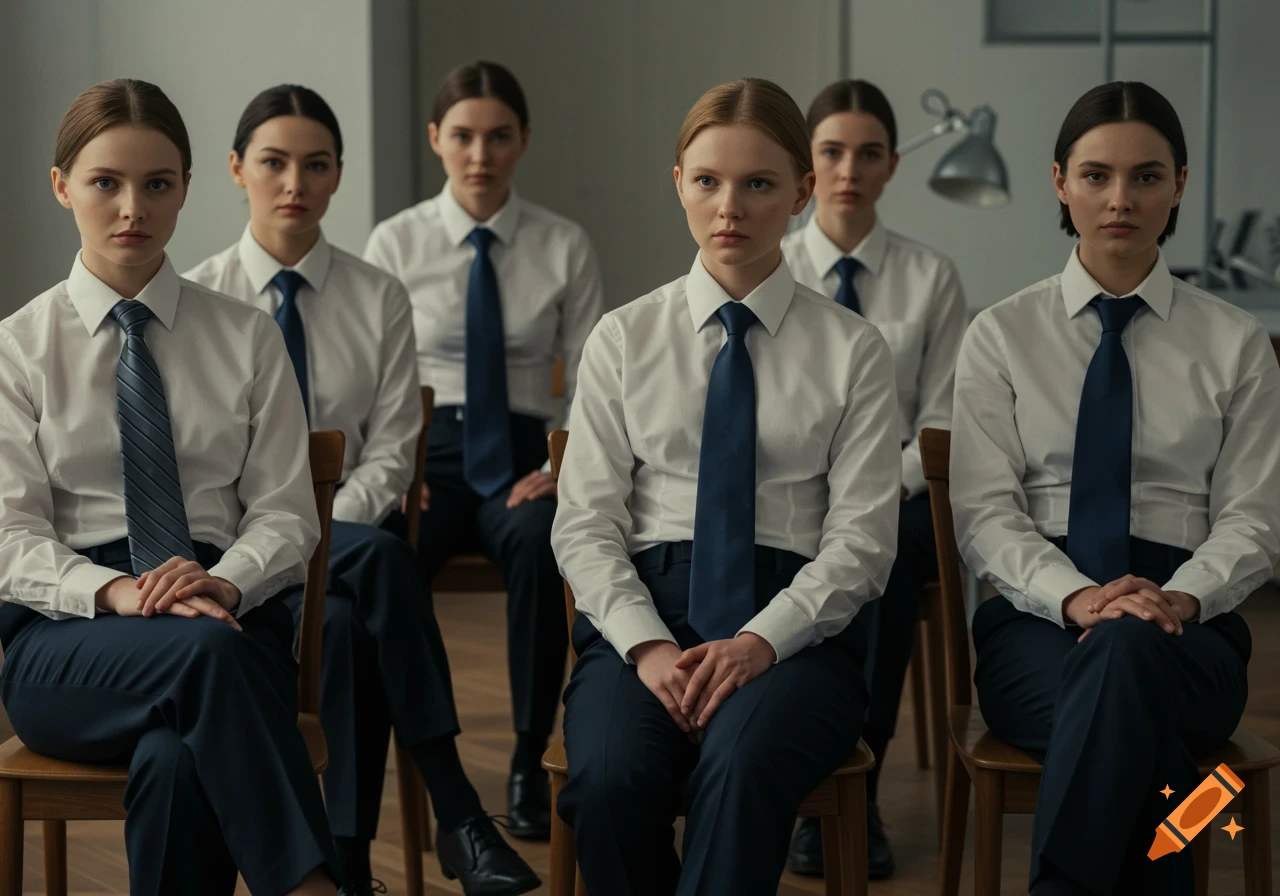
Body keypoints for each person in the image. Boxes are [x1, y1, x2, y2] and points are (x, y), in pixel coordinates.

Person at [184, 84, 540, 896]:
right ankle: (459, 817)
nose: (294, 184)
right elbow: (199, 471)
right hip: (238, 558)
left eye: (315, 165)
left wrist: (316, 535)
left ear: (339, 175)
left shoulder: (378, 295)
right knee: (380, 571)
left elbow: (392, 451)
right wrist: (291, 542)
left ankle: (346, 867)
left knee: (348, 621)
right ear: (238, 170)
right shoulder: (199, 302)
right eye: (273, 163)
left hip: (341, 546)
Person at [551, 77, 902, 896]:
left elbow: (862, 543)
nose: (729, 208)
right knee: (604, 782)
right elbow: (585, 524)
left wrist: (761, 642)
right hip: (646, 612)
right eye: (707, 181)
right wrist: (645, 644)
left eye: (759, 184)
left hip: (794, 628)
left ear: (802, 192)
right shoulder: (624, 338)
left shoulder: (853, 350)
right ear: (678, 182)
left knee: (740, 768)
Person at [0, 78, 339, 896]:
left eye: (157, 184)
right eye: (104, 183)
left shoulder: (249, 338)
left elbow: (288, 515)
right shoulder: (16, 349)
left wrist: (223, 579)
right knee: (206, 658)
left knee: (178, 757)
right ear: (61, 187)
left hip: (223, 602)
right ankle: (312, 885)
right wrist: (120, 593)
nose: (132, 208)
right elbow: (9, 543)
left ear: (187, 186)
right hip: (68, 639)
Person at [950, 80, 1280, 896]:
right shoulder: (1000, 336)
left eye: (1146, 176)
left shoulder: (1237, 345)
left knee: (1127, 662)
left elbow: (1255, 519)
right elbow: (985, 516)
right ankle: (1197, 816)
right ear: (1060, 181)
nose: (1120, 198)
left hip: (1189, 630)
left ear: (1180, 185)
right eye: (1096, 175)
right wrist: (1079, 599)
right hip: (1036, 623)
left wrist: (1174, 600)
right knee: (1130, 711)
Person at [363, 60, 603, 839]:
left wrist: (556, 468)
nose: (480, 155)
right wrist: (394, 470)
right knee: (382, 561)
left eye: (499, 137)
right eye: (462, 136)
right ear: (436, 139)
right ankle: (423, 771)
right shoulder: (394, 242)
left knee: (543, 545)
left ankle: (531, 760)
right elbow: (376, 380)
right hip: (425, 456)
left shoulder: (564, 244)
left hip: (524, 459)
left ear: (522, 141)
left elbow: (596, 383)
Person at [781, 78, 968, 879]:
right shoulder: (770, 262)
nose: (848, 169)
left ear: (892, 165)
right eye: (831, 152)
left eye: (867, 154)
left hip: (898, 489)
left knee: (880, 565)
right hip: (786, 490)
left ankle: (856, 785)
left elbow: (945, 419)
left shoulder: (930, 277)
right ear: (805, 164)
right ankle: (779, 777)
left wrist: (876, 489)